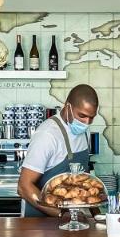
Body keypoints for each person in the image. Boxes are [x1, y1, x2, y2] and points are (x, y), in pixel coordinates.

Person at [18, 84, 98, 217]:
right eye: (82, 116)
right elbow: (23, 187)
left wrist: (96, 215)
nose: (86, 122)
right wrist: (62, 215)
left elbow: (84, 177)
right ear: (67, 106)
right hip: (42, 222)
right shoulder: (47, 135)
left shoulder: (84, 132)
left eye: (91, 117)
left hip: (74, 219)